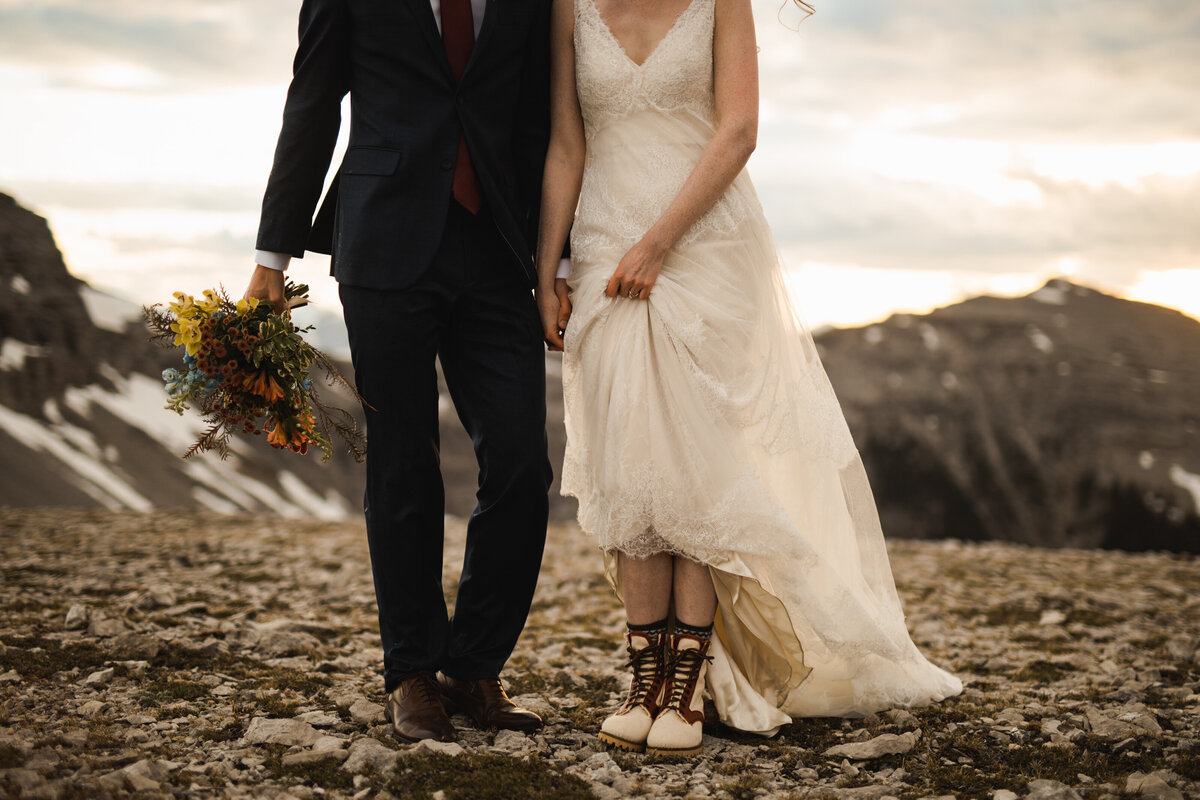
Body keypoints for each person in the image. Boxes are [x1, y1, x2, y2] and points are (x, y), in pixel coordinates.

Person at [534, 0, 963, 756]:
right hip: (602, 243)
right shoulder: (568, 6)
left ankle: (688, 687)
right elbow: (567, 144)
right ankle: (645, 678)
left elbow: (739, 129)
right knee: (631, 456)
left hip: (701, 244)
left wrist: (659, 243)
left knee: (698, 464)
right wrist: (547, 268)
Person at [245, 0, 571, 743]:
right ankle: (412, 672)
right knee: (402, 464)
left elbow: (541, 123)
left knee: (522, 463)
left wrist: (558, 258)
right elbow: (314, 100)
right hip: (383, 237)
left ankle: (474, 664)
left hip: (498, 250)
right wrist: (273, 255)